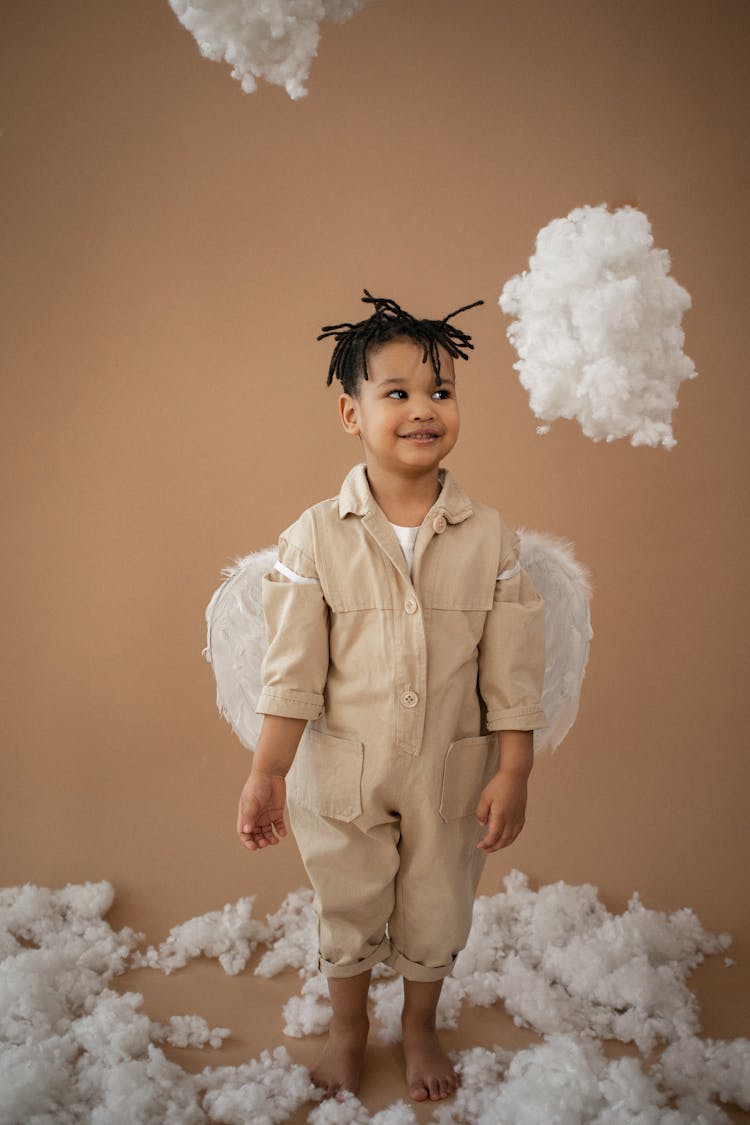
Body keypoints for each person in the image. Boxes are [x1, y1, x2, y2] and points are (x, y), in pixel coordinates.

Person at [236, 291, 547, 1103]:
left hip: (451, 765)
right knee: (348, 900)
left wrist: (513, 769)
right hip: (344, 768)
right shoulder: (316, 535)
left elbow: (512, 673)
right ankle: (348, 1028)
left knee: (439, 901)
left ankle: (418, 1023)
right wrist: (268, 771)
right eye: (397, 393)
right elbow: (291, 670)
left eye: (440, 392)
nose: (423, 409)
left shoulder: (489, 538)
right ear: (351, 412)